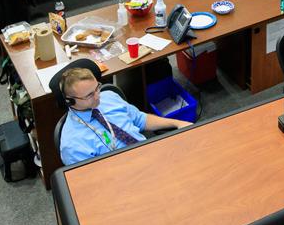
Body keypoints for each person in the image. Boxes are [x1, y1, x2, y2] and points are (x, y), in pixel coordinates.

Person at [57, 67, 190, 166]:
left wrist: (177, 123)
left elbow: (140, 119)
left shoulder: (108, 96)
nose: (98, 96)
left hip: (150, 153)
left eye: (97, 88)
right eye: (89, 95)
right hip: (123, 178)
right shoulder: (72, 144)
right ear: (70, 101)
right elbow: (92, 181)